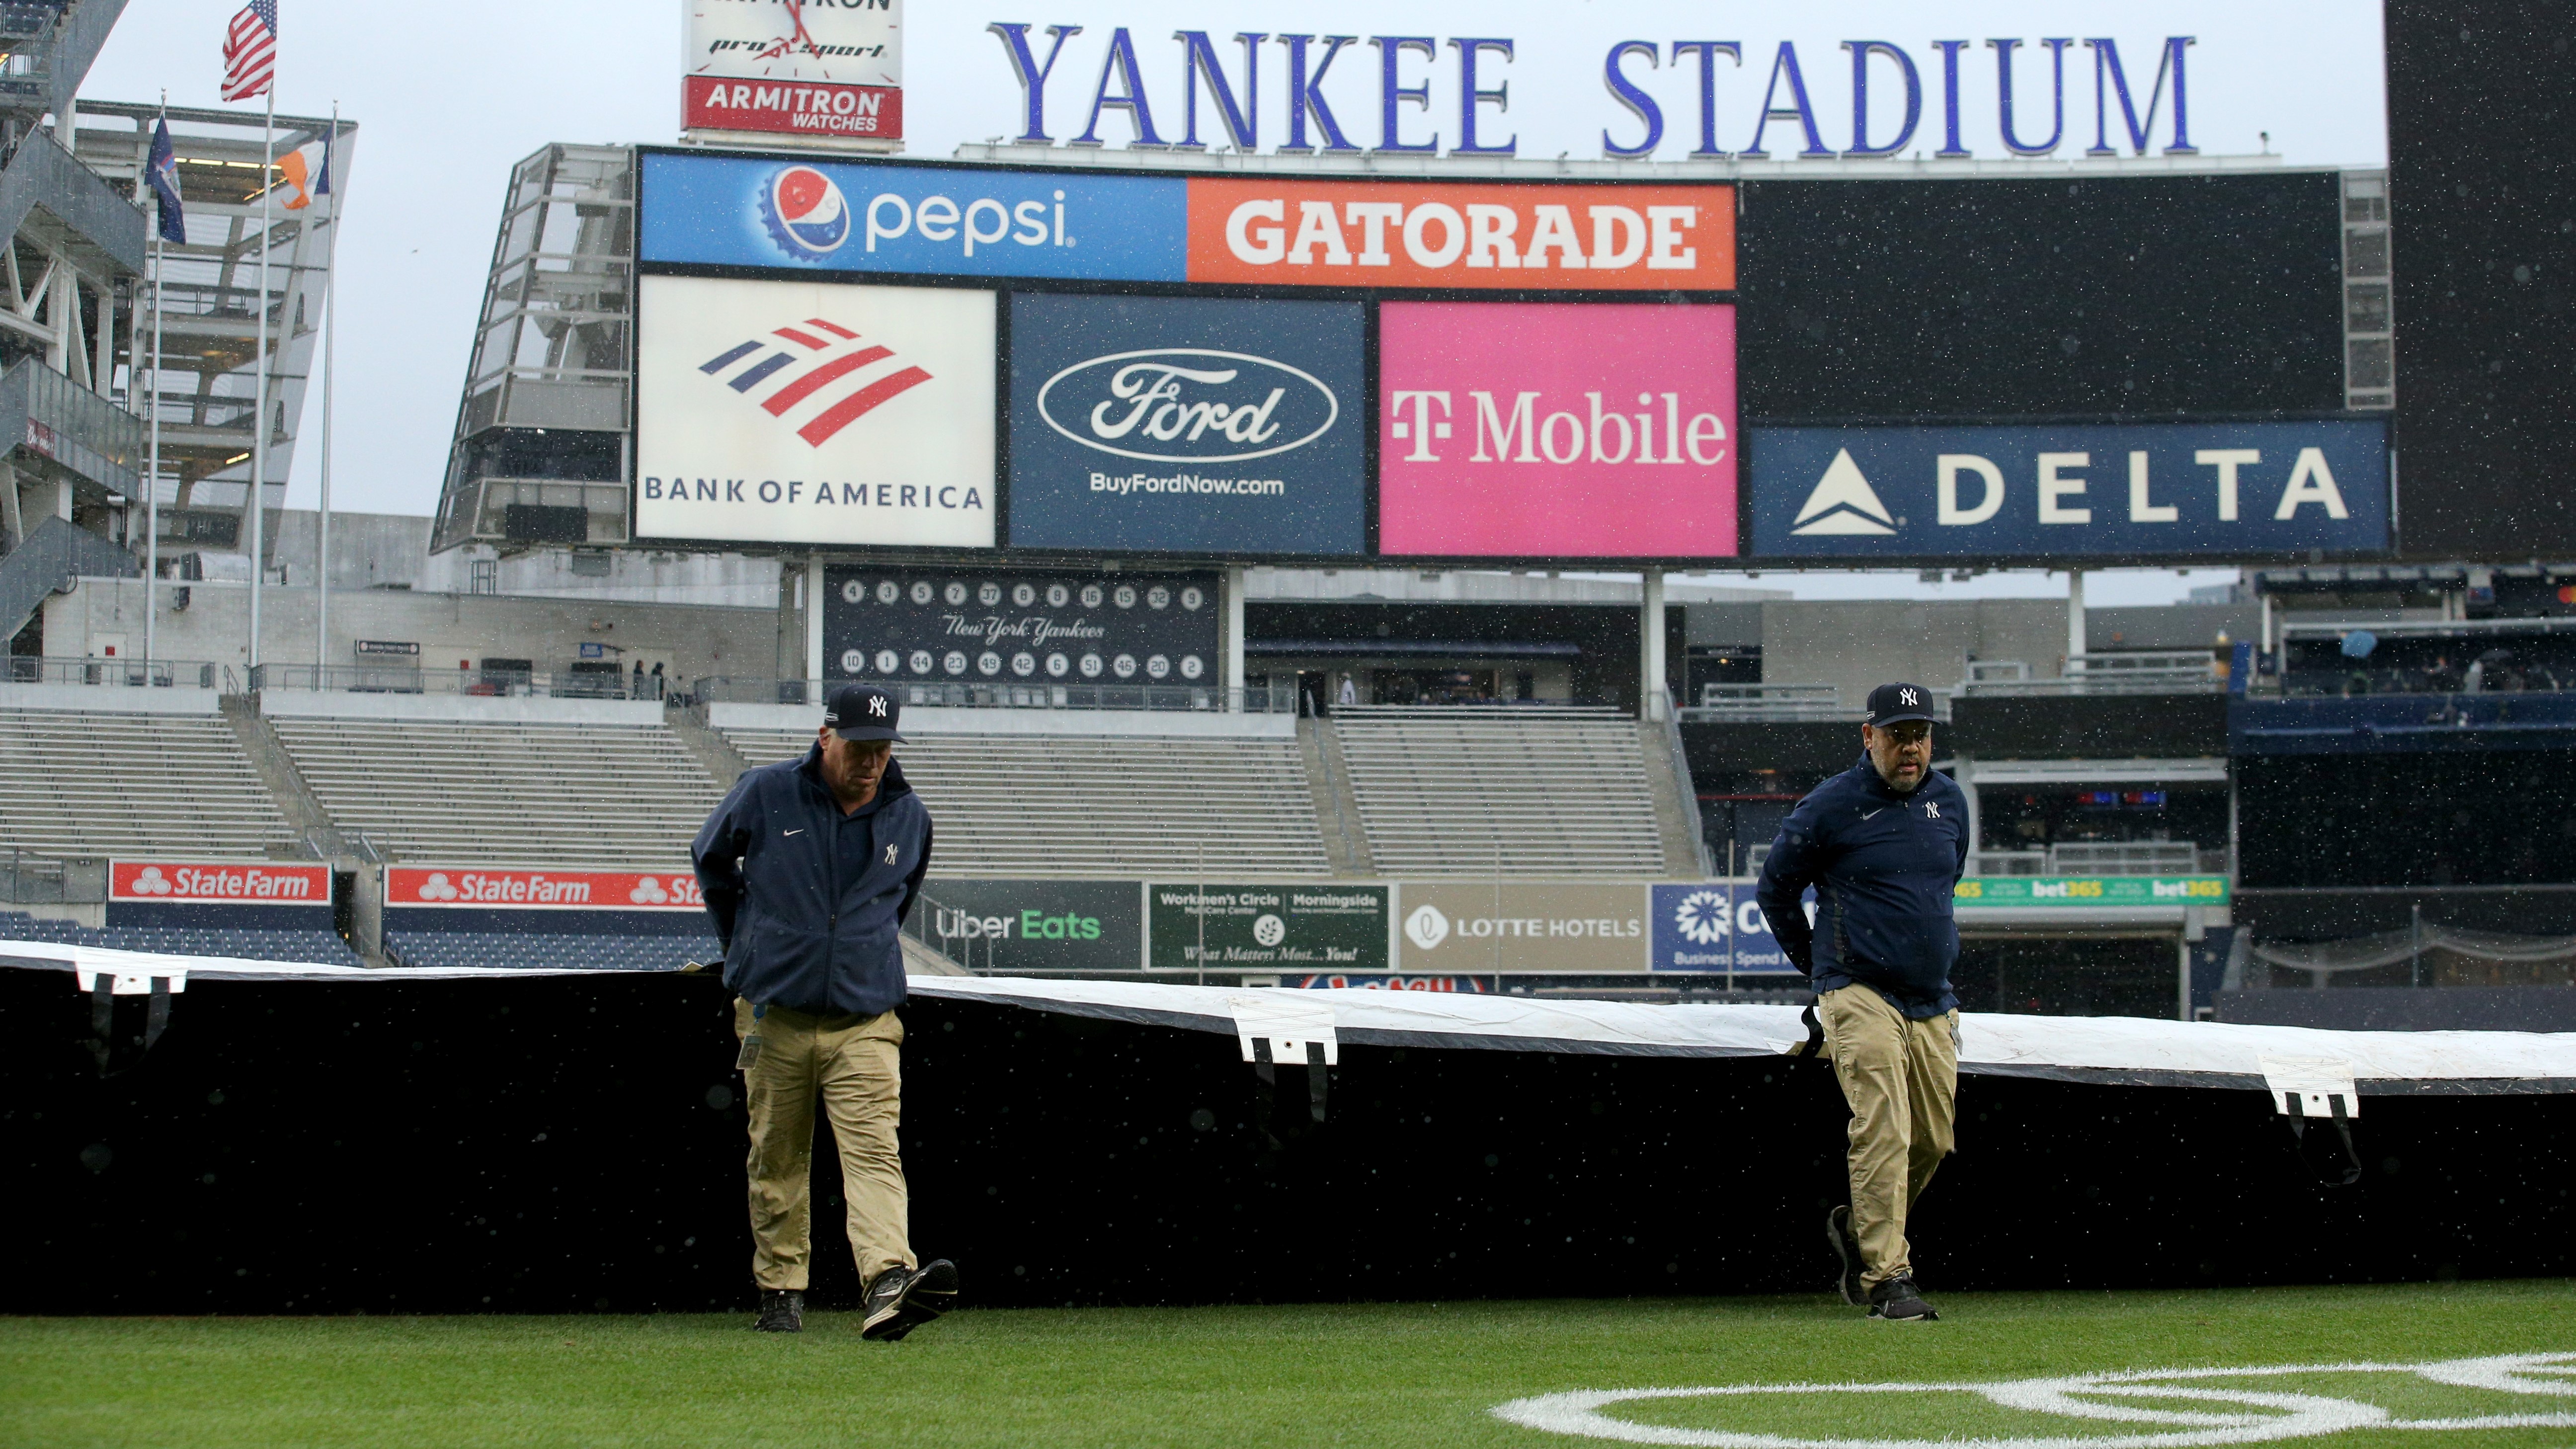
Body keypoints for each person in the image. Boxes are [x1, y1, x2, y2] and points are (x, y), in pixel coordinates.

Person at [692, 682, 955, 1339]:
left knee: (874, 1155)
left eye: (883, 750)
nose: (871, 764)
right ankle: (782, 1293)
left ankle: (889, 1281)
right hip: (773, 1016)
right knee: (776, 1157)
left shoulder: (910, 816)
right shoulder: (765, 791)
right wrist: (747, 949)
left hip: (865, 1020)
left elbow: (896, 903)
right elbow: (711, 861)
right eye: (860, 749)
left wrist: (854, 959)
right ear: (825, 738)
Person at [1755, 682, 1969, 1323]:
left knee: (1932, 1141)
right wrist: (1823, 972)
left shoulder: (1950, 801)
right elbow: (1776, 892)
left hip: (1932, 998)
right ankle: (1887, 1280)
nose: (1912, 748)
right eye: (1898, 734)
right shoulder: (1831, 806)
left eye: (1921, 734)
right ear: (1869, 736)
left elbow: (1946, 881)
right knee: (1883, 1127)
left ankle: (1859, 1226)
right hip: (1859, 990)